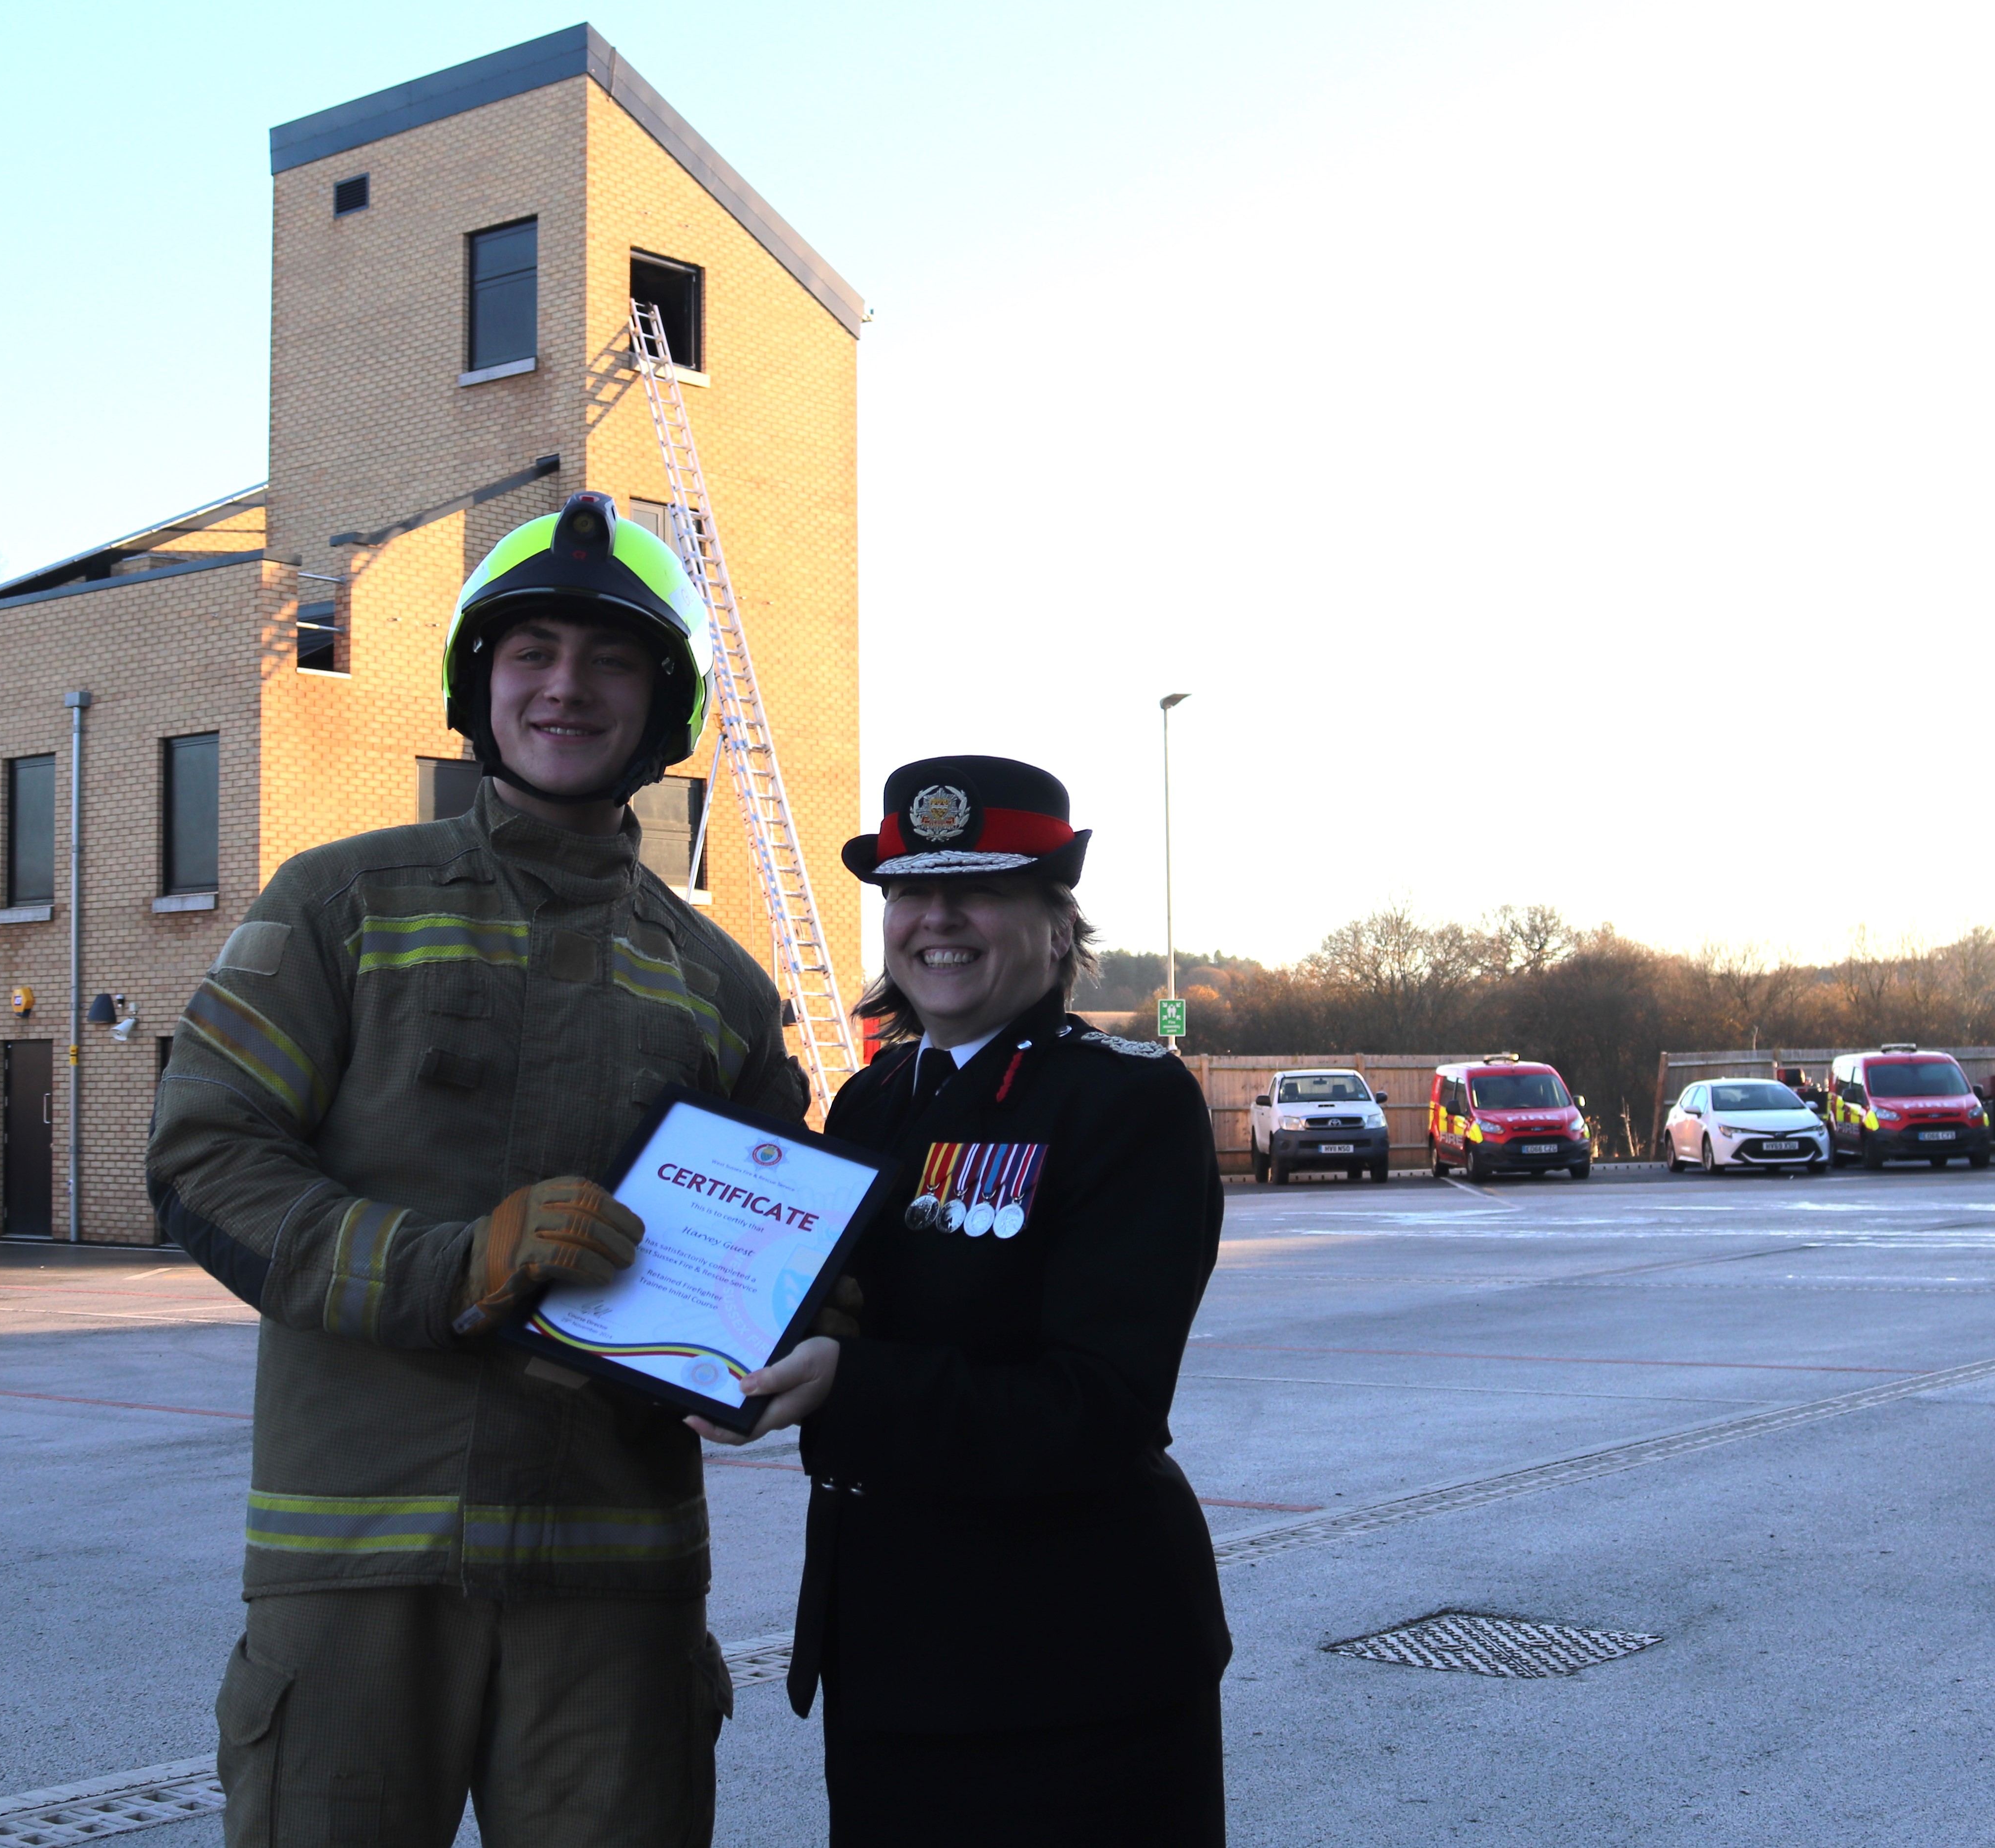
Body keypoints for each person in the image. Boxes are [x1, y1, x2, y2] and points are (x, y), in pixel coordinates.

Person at [149, 491, 806, 1848]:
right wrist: (459, 1262)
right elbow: (206, 1161)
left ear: (662, 704)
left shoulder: (725, 988)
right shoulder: (337, 903)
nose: (566, 687)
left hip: (615, 1587)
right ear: (476, 683)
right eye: (531, 655)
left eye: (611, 659)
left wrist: (814, 1338)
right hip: (355, 1565)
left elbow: (789, 1241)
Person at [694, 755, 1230, 1848]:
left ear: (1053, 918)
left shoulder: (1126, 1103)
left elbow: (1102, 1403)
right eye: (907, 890)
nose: (935, 919)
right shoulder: (874, 1097)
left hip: (1076, 1673)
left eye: (976, 888)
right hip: (891, 1655)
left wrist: (851, 1386)